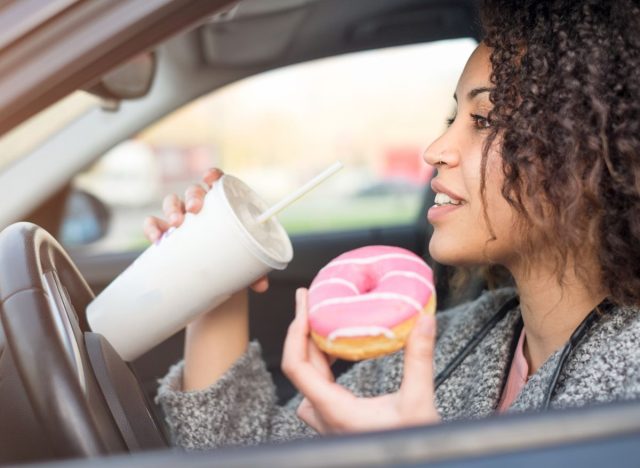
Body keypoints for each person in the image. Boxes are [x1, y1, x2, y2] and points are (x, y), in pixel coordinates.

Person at [145, 0, 640, 450]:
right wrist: (215, 282)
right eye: (452, 119)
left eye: (485, 120)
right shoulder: (460, 335)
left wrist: (415, 453)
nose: (435, 150)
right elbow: (245, 454)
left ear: (593, 156)